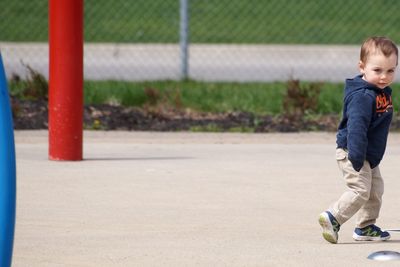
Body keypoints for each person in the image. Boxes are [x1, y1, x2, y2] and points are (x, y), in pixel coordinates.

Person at [318, 36, 398, 244]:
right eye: (377, 70)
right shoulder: (363, 96)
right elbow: (357, 127)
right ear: (362, 67)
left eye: (391, 70)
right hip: (353, 151)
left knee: (375, 190)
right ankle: (333, 217)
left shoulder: (379, 92)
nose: (384, 76)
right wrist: (356, 156)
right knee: (360, 190)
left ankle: (365, 227)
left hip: (368, 155)